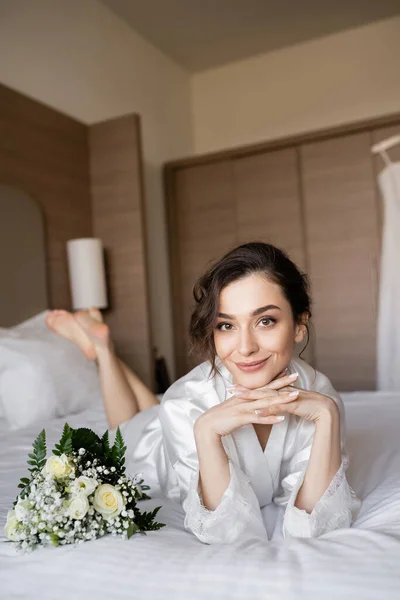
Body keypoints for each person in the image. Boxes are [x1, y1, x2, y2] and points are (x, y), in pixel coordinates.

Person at [46, 242, 360, 544]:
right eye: (226, 325)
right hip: (158, 447)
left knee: (153, 408)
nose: (245, 348)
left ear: (299, 325)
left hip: (168, 409)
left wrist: (327, 415)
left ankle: (102, 347)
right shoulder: (186, 404)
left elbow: (314, 525)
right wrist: (206, 430)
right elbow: (230, 532)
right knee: (126, 429)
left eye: (265, 321)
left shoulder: (320, 396)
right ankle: (102, 349)